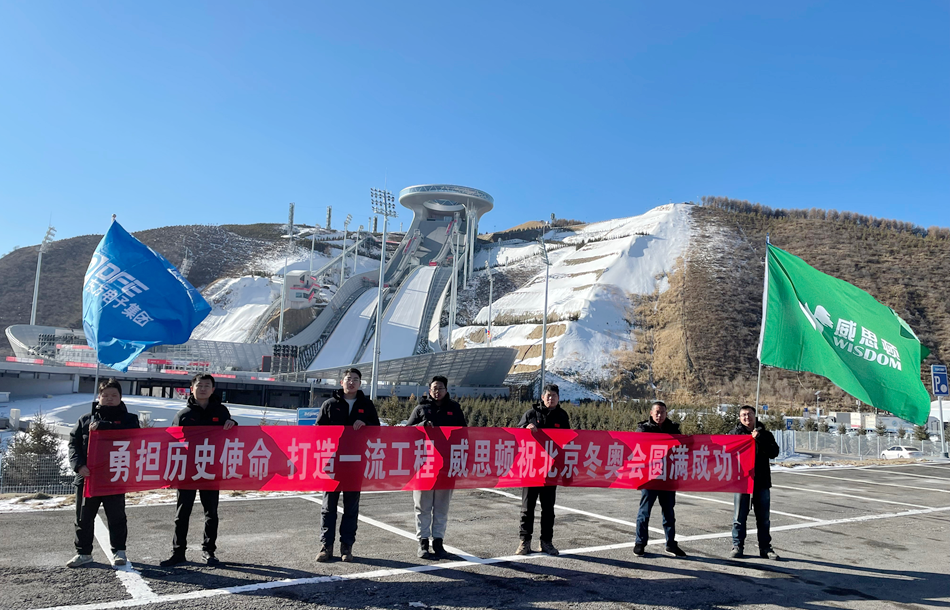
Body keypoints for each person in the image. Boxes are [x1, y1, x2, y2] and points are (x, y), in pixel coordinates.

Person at [160, 374, 237, 567]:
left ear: (213, 389)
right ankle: (178, 552)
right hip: (187, 470)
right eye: (199, 385)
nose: (203, 388)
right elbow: (171, 443)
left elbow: (235, 436)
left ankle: (209, 551)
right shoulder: (183, 415)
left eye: (207, 385)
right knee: (182, 513)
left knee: (211, 512)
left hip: (211, 469)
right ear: (191, 388)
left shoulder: (221, 411)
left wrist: (233, 424)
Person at [66, 378, 140, 568]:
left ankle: (119, 551)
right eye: (105, 395)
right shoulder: (85, 419)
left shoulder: (129, 419)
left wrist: (105, 427)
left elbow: (135, 438)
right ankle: (83, 553)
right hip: (88, 476)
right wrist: (78, 465)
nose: (109, 399)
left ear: (120, 398)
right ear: (99, 397)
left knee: (116, 516)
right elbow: (73, 444)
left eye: (113, 395)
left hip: (115, 475)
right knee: (83, 517)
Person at [315, 368, 380, 563]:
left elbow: (377, 432)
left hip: (355, 462)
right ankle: (326, 546)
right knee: (328, 507)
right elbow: (318, 430)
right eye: (348, 379)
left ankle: (347, 546)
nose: (351, 382)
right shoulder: (329, 404)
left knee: (351, 507)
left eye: (355, 379)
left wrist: (365, 424)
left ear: (360, 383)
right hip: (332, 462)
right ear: (341, 382)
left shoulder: (367, 406)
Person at [407, 375, 467, 559]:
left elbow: (464, 435)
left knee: (441, 507)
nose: (437, 391)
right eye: (434, 387)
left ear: (446, 390)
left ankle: (439, 542)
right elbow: (407, 432)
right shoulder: (421, 409)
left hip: (446, 466)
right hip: (424, 465)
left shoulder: (454, 409)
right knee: (422, 506)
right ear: (429, 389)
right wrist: (421, 425)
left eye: (440, 388)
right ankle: (423, 542)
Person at [515, 383, 570, 556]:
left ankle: (546, 542)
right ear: (542, 397)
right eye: (548, 395)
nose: (551, 398)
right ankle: (525, 541)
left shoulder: (562, 416)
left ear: (558, 398)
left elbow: (569, 441)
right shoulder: (531, 414)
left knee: (548, 509)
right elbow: (516, 433)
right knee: (527, 508)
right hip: (531, 468)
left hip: (551, 471)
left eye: (554, 395)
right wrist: (526, 428)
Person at [633, 400, 687, 558]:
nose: (659, 415)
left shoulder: (674, 428)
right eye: (656, 412)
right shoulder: (643, 428)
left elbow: (683, 448)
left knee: (669, 512)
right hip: (650, 477)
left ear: (666, 413)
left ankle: (671, 544)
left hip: (668, 477)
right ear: (651, 413)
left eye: (662, 412)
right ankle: (640, 543)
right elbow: (637, 446)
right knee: (644, 512)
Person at [731, 405, 780, 559]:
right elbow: (725, 452)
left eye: (750, 414)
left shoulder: (765, 434)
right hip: (742, 481)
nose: (747, 417)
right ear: (739, 418)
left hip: (761, 480)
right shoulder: (734, 434)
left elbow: (774, 453)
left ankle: (765, 548)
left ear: (755, 415)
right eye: (743, 415)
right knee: (739, 517)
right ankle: (737, 546)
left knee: (763, 518)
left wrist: (759, 438)